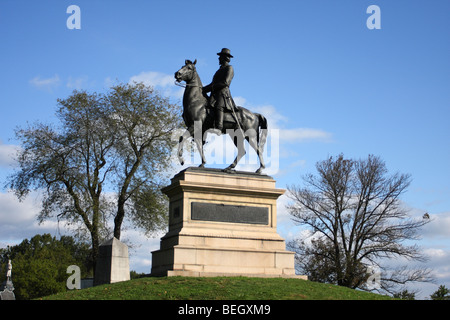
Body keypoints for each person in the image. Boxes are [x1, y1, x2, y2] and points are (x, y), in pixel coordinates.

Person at [203, 48, 236, 132]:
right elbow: (212, 83)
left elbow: (225, 83)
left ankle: (219, 126)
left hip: (223, 94)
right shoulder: (219, 70)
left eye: (220, 57)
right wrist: (203, 89)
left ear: (225, 58)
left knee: (219, 106)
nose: (218, 59)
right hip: (214, 94)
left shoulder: (229, 68)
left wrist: (211, 88)